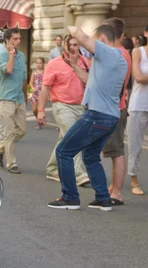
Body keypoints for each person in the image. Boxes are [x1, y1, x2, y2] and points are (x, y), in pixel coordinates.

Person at [48, 24, 127, 211]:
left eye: (94, 39)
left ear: (101, 38)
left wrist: (70, 28)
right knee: (90, 156)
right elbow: (88, 80)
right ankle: (103, 198)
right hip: (109, 116)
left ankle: (70, 198)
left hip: (97, 115)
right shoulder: (115, 60)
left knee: (63, 151)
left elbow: (79, 35)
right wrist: (75, 64)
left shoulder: (108, 52)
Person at [36, 35, 90, 187]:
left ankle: (52, 168)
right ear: (64, 46)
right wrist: (41, 111)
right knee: (75, 137)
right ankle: (79, 173)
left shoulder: (84, 62)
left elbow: (89, 83)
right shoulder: (54, 64)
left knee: (64, 138)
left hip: (81, 107)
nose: (74, 48)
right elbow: (45, 88)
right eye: (71, 44)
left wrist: (75, 65)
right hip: (62, 106)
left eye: (76, 44)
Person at [100, 17, 132, 207]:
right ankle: (114, 187)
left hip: (115, 107)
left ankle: (117, 192)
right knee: (114, 150)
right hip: (117, 106)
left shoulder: (117, 54)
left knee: (117, 150)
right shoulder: (122, 52)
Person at [0, 28, 28, 174]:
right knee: (9, 132)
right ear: (8, 40)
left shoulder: (22, 55)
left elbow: (24, 77)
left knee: (21, 131)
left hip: (19, 98)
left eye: (19, 38)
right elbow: (8, 70)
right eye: (15, 39)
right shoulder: (1, 55)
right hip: (6, 98)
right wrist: (11, 54)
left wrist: (25, 96)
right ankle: (11, 163)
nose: (18, 41)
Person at [127, 25, 148, 196]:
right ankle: (134, 181)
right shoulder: (138, 52)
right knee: (135, 145)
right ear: (146, 34)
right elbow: (139, 77)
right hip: (139, 104)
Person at [29, 57, 45, 128]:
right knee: (34, 110)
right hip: (35, 93)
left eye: (40, 63)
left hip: (42, 93)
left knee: (39, 109)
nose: (38, 65)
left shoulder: (46, 72)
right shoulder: (34, 73)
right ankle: (39, 119)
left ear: (43, 64)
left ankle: (39, 123)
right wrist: (32, 87)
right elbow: (31, 82)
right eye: (37, 63)